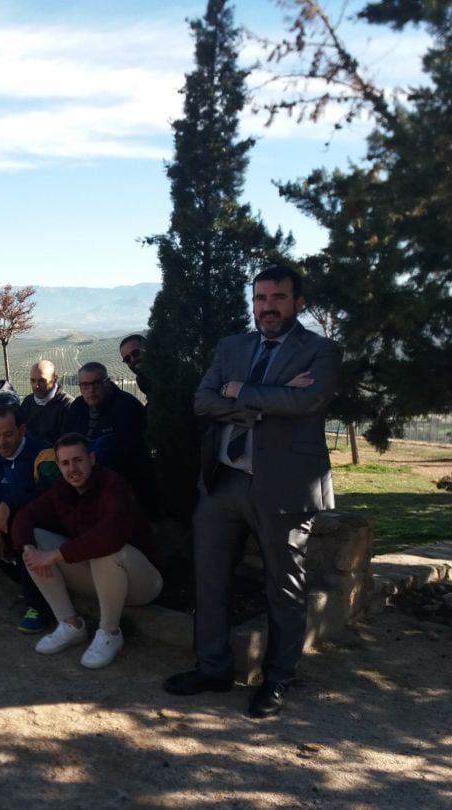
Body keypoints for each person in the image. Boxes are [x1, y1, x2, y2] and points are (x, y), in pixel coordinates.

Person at [163, 265, 341, 719]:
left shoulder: (320, 351)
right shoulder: (232, 346)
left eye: (278, 297)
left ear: (298, 303)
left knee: (284, 587)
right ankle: (212, 668)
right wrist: (263, 404)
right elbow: (203, 400)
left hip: (283, 487)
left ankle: (278, 678)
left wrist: (240, 391)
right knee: (210, 579)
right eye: (260, 298)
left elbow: (306, 402)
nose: (268, 307)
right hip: (223, 482)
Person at [11, 434, 162, 669]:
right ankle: (70, 625)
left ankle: (110, 632)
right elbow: (24, 517)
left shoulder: (114, 486)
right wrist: (28, 547)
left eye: (78, 460)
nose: (73, 468)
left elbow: (109, 536)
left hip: (141, 582)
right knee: (35, 541)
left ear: (92, 458)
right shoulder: (62, 489)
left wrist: (54, 555)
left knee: (106, 551)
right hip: (98, 577)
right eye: (65, 463)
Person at [0, 404, 59, 621]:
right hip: (7, 522)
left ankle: (39, 607)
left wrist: (9, 504)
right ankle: (26, 585)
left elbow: (46, 497)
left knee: (21, 528)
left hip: (45, 525)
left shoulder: (44, 454)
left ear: (22, 430)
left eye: (7, 435)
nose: (1, 442)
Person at [62, 361, 157, 516]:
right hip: (81, 478)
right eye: (85, 385)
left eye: (96, 384)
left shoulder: (127, 406)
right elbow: (65, 441)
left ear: (107, 383)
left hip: (122, 487)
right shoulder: (77, 407)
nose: (91, 390)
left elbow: (126, 452)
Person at [20, 360, 73, 445]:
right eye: (33, 381)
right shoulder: (27, 402)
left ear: (54, 379)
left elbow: (67, 444)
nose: (36, 386)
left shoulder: (67, 405)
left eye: (42, 381)